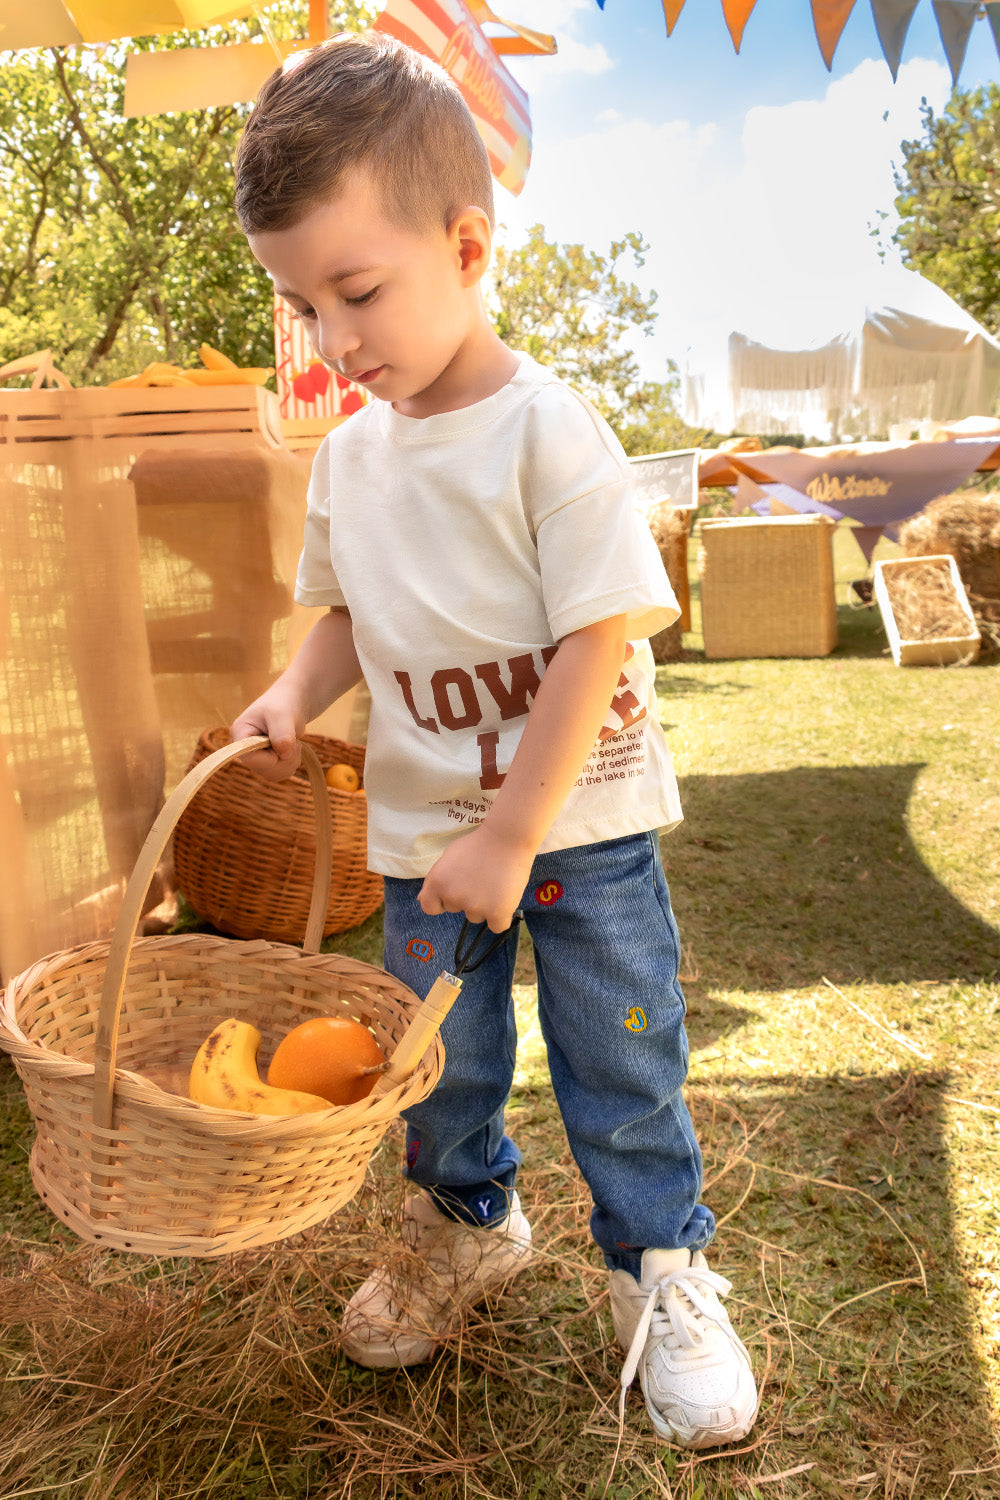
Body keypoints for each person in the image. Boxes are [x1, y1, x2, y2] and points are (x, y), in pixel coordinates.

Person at [230, 30, 757, 1451]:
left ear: (466, 245)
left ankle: (661, 1266)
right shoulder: (349, 455)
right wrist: (296, 691)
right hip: (421, 841)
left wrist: (514, 830)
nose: (337, 340)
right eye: (302, 305)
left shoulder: (548, 432)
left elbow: (600, 637)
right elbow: (346, 612)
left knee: (619, 1054)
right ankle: (468, 1220)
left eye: (357, 291)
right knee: (435, 1066)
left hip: (575, 825)